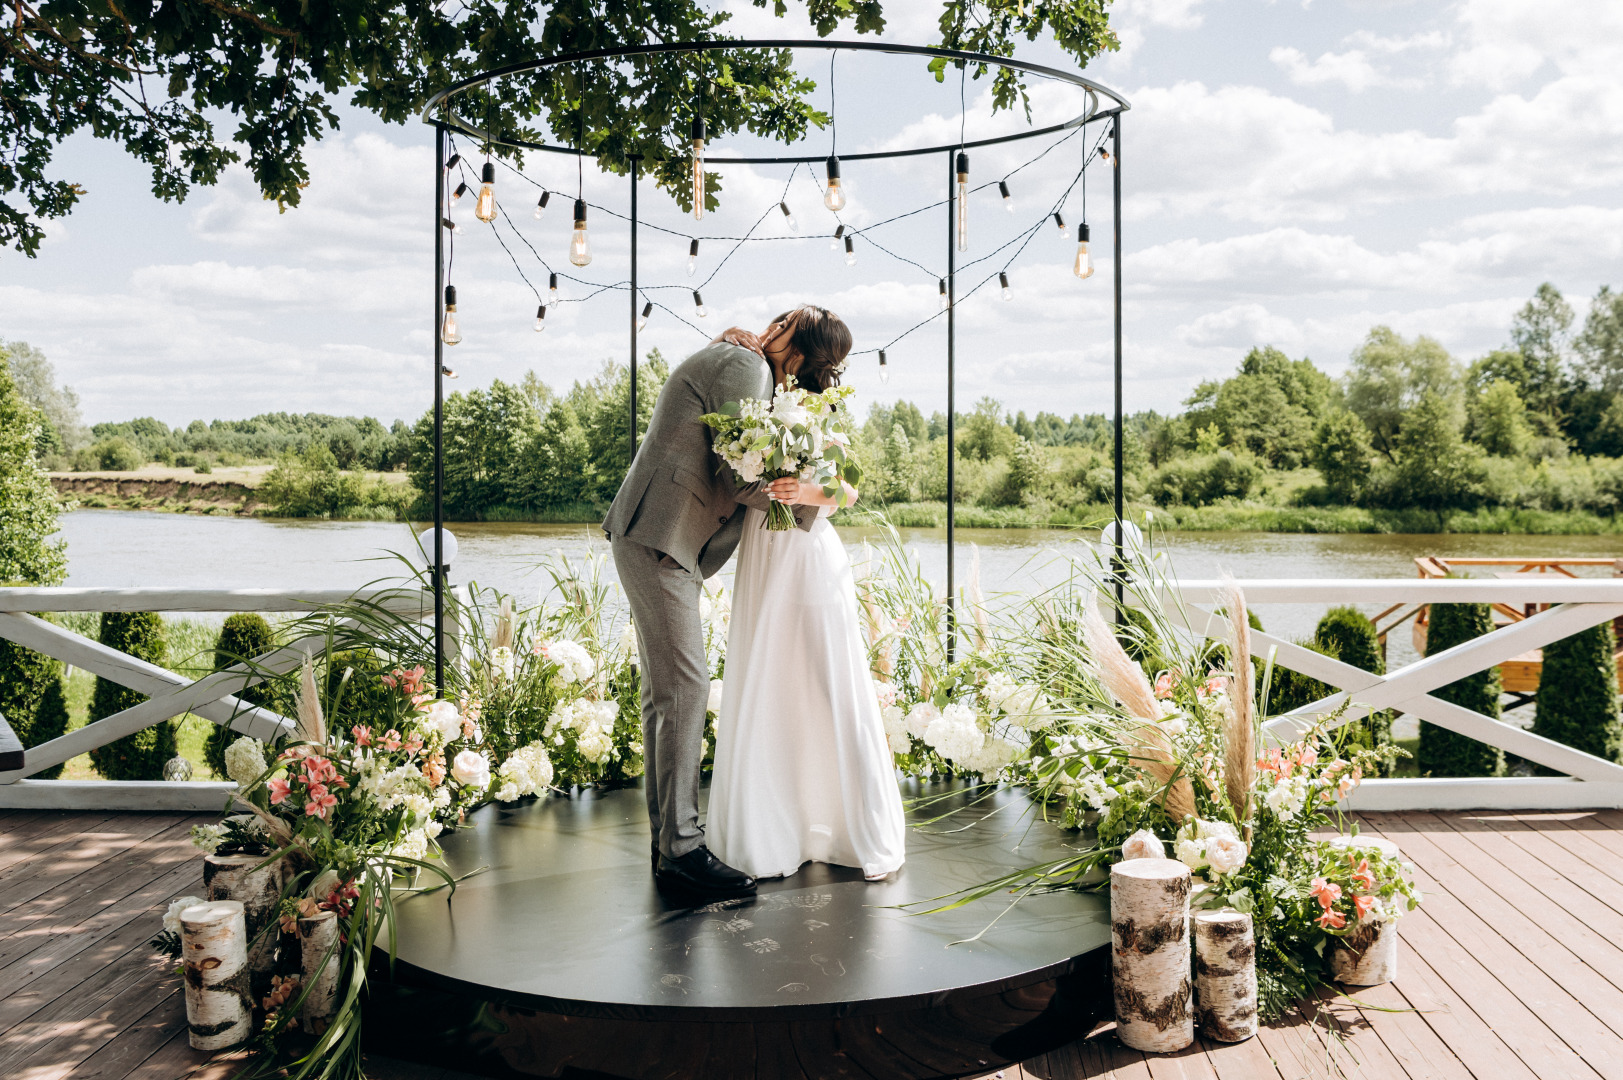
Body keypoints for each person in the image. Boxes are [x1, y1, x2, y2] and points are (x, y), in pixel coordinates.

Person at [602, 309, 823, 901]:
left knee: (665, 693)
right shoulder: (746, 364)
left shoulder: (743, 362)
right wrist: (819, 496)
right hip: (659, 534)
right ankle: (682, 850)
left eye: (787, 324)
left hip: (659, 536)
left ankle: (667, 846)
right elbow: (740, 475)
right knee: (688, 687)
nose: (773, 325)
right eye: (782, 321)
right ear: (801, 360)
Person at [706, 308, 908, 883]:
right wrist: (724, 339)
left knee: (825, 681)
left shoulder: (825, 408)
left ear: (804, 345)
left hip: (810, 557)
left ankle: (841, 825)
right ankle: (769, 832)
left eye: (785, 324)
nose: (772, 328)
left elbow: (847, 489)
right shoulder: (754, 383)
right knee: (766, 680)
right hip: (764, 554)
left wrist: (806, 486)